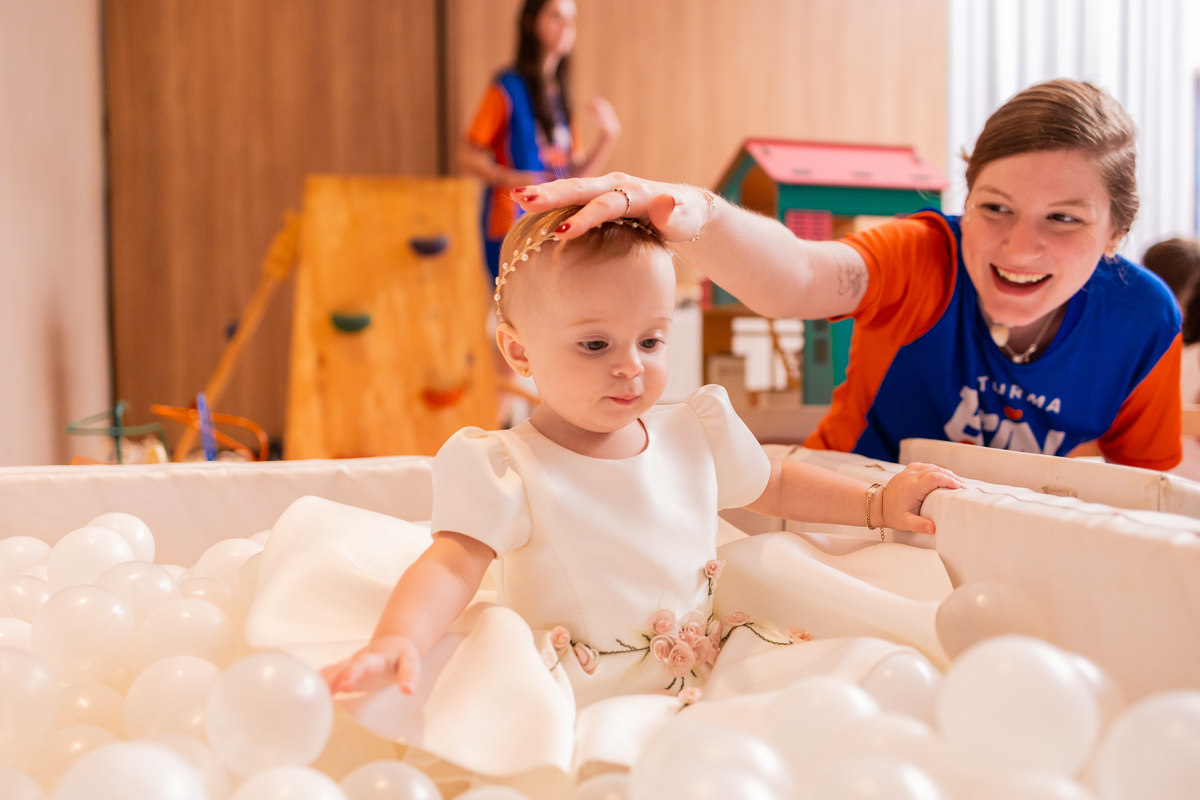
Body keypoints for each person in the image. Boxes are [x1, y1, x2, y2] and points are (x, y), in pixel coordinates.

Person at [319, 204, 962, 706]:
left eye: (651, 340)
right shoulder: (512, 465)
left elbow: (778, 487)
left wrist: (878, 502)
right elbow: (451, 565)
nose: (631, 368)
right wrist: (399, 638)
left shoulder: (692, 432)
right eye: (595, 346)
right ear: (520, 354)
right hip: (588, 687)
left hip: (708, 667)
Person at [514, 79, 1183, 470]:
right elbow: (799, 278)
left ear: (1116, 236)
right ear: (965, 199)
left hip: (999, 538)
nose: (1018, 246)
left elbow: (1142, 492)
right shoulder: (927, 257)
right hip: (851, 506)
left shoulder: (1143, 323)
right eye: (995, 208)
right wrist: (699, 214)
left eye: (1063, 219)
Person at [459, 0, 621, 282]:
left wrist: (609, 136)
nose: (567, 27)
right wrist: (510, 178)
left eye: (571, 19)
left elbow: (574, 173)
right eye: (556, 17)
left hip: (551, 223)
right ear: (531, 22)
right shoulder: (506, 88)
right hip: (510, 222)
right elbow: (465, 156)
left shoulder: (560, 94)